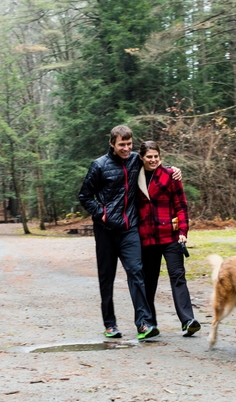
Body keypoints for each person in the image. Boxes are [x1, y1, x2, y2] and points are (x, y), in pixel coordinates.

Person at [78, 126, 167, 340]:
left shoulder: (136, 160)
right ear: (112, 144)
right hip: (106, 231)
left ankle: (143, 324)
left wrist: (173, 170)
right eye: (122, 145)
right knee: (106, 278)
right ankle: (110, 324)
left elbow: (154, 164)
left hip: (130, 229)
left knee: (137, 273)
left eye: (129, 144)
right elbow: (85, 196)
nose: (126, 148)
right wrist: (102, 214)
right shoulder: (99, 166)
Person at [136, 141, 201, 337]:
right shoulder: (134, 177)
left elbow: (181, 205)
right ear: (142, 158)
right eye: (149, 157)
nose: (153, 160)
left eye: (156, 156)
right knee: (149, 281)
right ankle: (149, 322)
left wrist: (183, 230)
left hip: (171, 236)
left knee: (178, 276)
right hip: (146, 238)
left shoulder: (170, 176)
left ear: (160, 157)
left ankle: (188, 320)